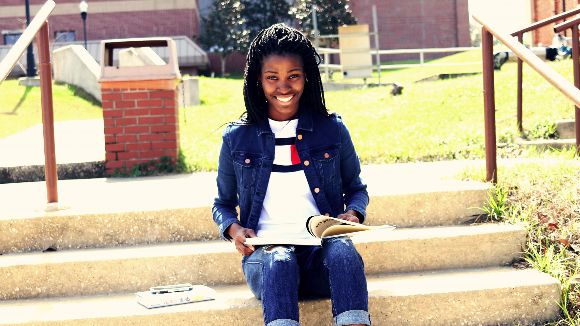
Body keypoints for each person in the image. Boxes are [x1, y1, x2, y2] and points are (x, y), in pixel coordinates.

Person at [212, 23, 370, 326]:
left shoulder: (332, 130)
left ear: (306, 77)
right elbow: (221, 205)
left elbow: (356, 189)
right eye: (272, 77)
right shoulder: (236, 139)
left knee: (343, 251)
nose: (283, 87)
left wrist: (354, 213)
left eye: (293, 76)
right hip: (266, 261)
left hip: (319, 257)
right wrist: (235, 231)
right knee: (280, 257)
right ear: (258, 80)